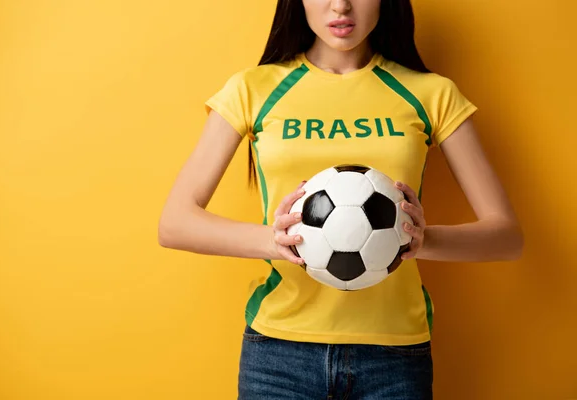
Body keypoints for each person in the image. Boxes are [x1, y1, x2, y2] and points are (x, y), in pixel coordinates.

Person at [158, 0, 524, 398]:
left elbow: (506, 236)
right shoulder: (253, 88)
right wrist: (273, 241)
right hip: (279, 356)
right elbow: (176, 222)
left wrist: (422, 239)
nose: (340, 6)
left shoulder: (431, 93)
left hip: (394, 356)